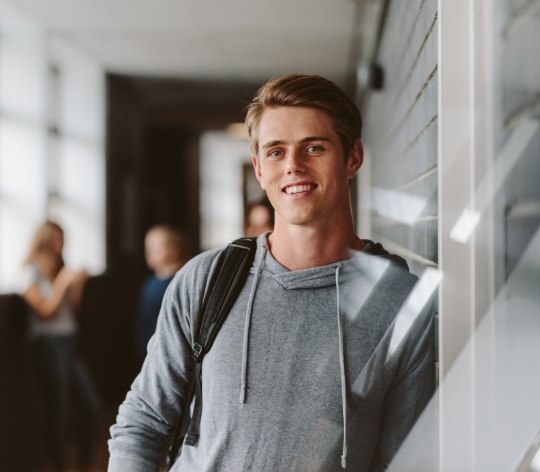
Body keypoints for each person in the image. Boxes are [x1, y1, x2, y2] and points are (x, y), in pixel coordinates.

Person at [107, 74, 435, 471]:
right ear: (259, 168)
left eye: (314, 147)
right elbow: (142, 423)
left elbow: (405, 462)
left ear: (352, 158)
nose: (293, 166)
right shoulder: (205, 280)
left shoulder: (402, 303)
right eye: (276, 152)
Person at [18, 220, 102, 472]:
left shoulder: (58, 269)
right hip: (47, 345)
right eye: (56, 239)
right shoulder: (27, 271)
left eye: (62, 239)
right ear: (43, 240)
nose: (60, 245)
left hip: (68, 342)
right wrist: (63, 283)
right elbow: (45, 312)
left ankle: (86, 463)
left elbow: (71, 312)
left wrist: (77, 287)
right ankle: (60, 465)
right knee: (59, 410)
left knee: (92, 406)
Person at [136, 225, 191, 364]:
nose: (148, 252)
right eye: (147, 247)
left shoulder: (185, 281)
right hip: (150, 353)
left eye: (155, 248)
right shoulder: (150, 283)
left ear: (174, 250)